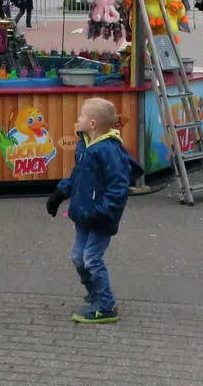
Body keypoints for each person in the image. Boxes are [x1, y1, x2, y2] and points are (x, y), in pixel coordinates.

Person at [45, 97, 143, 324]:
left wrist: (104, 211)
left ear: (92, 123)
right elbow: (78, 175)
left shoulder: (108, 150)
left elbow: (119, 185)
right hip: (83, 214)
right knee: (78, 258)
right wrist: (60, 194)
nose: (77, 119)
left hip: (101, 217)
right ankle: (95, 295)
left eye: (81, 116)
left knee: (91, 259)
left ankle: (106, 306)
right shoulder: (84, 144)